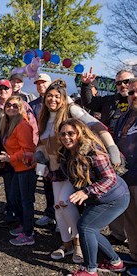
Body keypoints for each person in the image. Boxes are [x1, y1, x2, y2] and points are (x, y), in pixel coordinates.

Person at [36, 79, 121, 263]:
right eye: (49, 96)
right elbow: (42, 144)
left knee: (64, 202)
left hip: (71, 167)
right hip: (54, 170)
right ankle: (66, 244)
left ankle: (79, 244)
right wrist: (39, 157)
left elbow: (97, 125)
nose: (52, 99)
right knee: (58, 208)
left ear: (63, 97)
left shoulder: (71, 110)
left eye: (57, 96)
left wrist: (112, 147)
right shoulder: (43, 116)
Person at [58, 119, 129, 276]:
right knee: (89, 228)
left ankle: (90, 270)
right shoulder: (66, 153)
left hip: (115, 197)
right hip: (98, 197)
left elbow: (110, 178)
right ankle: (115, 262)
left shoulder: (93, 152)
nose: (66, 137)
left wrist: (86, 192)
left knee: (85, 227)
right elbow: (69, 175)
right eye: (63, 134)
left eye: (71, 133)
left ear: (80, 133)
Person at [81, 69, 134, 244]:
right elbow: (89, 102)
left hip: (133, 163)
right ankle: (118, 235)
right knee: (116, 198)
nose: (123, 86)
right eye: (118, 83)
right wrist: (87, 85)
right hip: (112, 160)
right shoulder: (112, 102)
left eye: (126, 82)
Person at [0, 96, 37, 246]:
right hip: (17, 168)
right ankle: (24, 225)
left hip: (26, 168)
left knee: (26, 201)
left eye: (15, 105)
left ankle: (28, 234)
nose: (11, 108)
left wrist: (10, 158)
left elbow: (28, 150)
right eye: (8, 105)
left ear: (20, 108)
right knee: (14, 198)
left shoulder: (22, 125)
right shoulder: (8, 124)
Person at [113, 78, 137, 276]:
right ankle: (135, 255)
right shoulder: (124, 116)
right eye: (131, 92)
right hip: (126, 177)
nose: (134, 95)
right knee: (131, 221)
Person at [29, 73, 56, 228]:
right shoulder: (33, 105)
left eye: (43, 83)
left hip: (57, 152)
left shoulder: (59, 102)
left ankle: (60, 217)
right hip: (41, 150)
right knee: (45, 181)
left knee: (59, 182)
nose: (41, 86)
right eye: (38, 83)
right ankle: (49, 212)